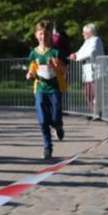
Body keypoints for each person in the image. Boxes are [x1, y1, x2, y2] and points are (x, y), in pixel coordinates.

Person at [27, 20, 67, 160]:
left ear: (50, 35)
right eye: (41, 34)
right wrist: (30, 74)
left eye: (46, 34)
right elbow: (33, 66)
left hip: (55, 88)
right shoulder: (34, 53)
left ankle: (58, 125)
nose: (43, 36)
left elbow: (65, 70)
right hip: (40, 87)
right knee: (43, 120)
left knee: (55, 117)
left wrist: (57, 65)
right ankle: (47, 147)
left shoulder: (56, 52)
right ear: (36, 35)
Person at [69, 24, 105, 120]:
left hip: (96, 72)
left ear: (89, 33)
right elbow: (80, 51)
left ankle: (97, 113)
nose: (82, 34)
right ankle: (93, 111)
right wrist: (75, 54)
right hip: (88, 72)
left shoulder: (96, 40)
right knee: (87, 93)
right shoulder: (87, 41)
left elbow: (91, 52)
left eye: (84, 32)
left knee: (96, 94)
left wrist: (77, 57)